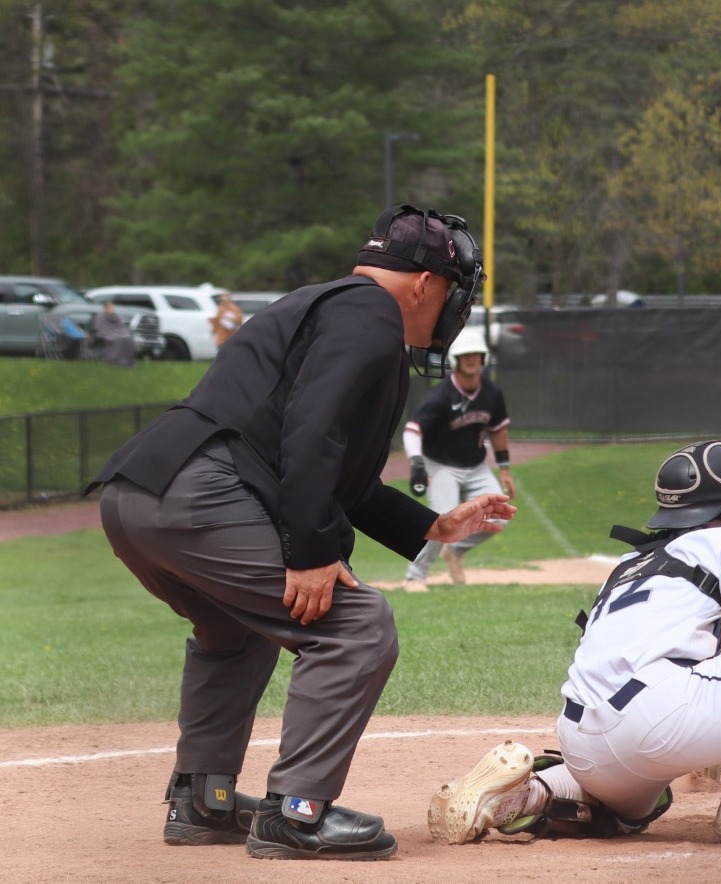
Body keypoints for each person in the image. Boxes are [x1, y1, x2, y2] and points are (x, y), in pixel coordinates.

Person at [90, 205, 517, 862]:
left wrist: (432, 523)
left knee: (236, 632)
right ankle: (298, 812)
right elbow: (311, 433)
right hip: (201, 492)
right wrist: (311, 551)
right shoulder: (370, 314)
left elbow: (324, 463)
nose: (455, 306)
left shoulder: (327, 305)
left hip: (139, 493)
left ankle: (205, 801)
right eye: (456, 291)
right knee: (356, 625)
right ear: (426, 284)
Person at [428, 440, 721, 847]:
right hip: (663, 719)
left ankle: (525, 793)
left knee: (629, 811)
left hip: (582, 741)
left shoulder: (631, 563)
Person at [401, 328, 514, 592]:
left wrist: (505, 468)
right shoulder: (441, 396)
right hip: (442, 466)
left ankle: (454, 551)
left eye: (476, 354)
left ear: (484, 358)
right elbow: (412, 429)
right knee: (442, 521)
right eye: (466, 355)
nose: (472, 359)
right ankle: (414, 577)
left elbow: (499, 429)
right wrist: (417, 463)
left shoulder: (491, 393)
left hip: (476, 467)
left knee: (500, 515)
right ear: (455, 360)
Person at [89, 301, 136, 367]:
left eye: (112, 308)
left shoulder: (117, 317)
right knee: (118, 340)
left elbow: (121, 328)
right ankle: (116, 360)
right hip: (107, 335)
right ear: (105, 309)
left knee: (127, 339)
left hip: (120, 334)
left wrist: (123, 334)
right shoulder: (100, 318)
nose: (111, 310)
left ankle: (128, 360)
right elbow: (99, 329)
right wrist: (110, 334)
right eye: (109, 308)